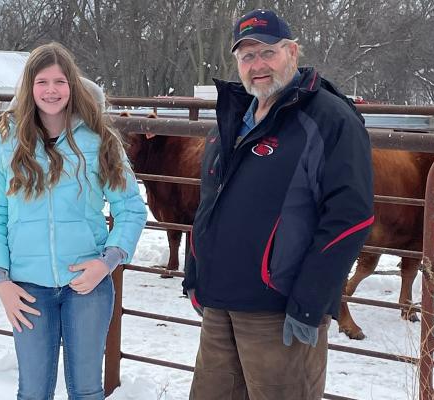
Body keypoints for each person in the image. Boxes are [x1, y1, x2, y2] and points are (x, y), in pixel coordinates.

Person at [183, 9, 374, 400]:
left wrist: (311, 302)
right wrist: (195, 275)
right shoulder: (235, 116)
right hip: (219, 305)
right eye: (247, 56)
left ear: (291, 52)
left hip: (279, 310)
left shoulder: (328, 118)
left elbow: (350, 217)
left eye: (267, 52)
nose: (258, 66)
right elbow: (209, 203)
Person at [0, 42, 147, 400]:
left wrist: (108, 261)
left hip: (87, 284)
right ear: (29, 87)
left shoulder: (99, 139)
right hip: (26, 287)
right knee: (33, 391)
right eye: (42, 82)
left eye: (60, 81)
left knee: (86, 390)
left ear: (73, 86)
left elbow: (130, 207)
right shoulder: (7, 140)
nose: (51, 90)